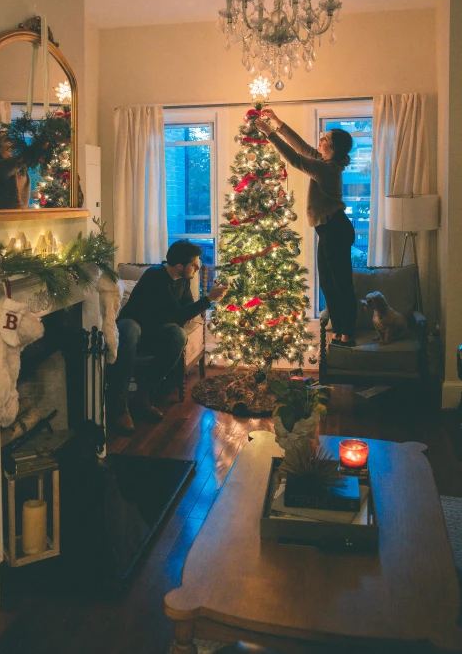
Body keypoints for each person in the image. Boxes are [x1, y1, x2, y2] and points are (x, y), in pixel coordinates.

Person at [254, 109, 357, 347]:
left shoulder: (328, 169)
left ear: (333, 148)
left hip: (335, 230)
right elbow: (301, 147)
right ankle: (340, 329)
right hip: (328, 230)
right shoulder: (325, 161)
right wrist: (278, 123)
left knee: (341, 283)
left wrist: (269, 133)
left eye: (326, 139)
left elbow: (296, 159)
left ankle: (347, 333)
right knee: (328, 284)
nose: (321, 140)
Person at [108, 240, 229, 433]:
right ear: (179, 266)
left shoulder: (183, 280)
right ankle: (119, 405)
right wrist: (209, 299)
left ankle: (143, 395)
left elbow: (185, 309)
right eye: (194, 264)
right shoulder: (155, 276)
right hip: (133, 324)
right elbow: (180, 313)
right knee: (131, 330)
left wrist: (186, 313)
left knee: (177, 334)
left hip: (154, 331)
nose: (198, 267)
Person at [0, 130, 30, 209]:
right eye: (5, 139)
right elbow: (13, 164)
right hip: (6, 216)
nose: (10, 142)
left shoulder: (19, 167)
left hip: (22, 214)